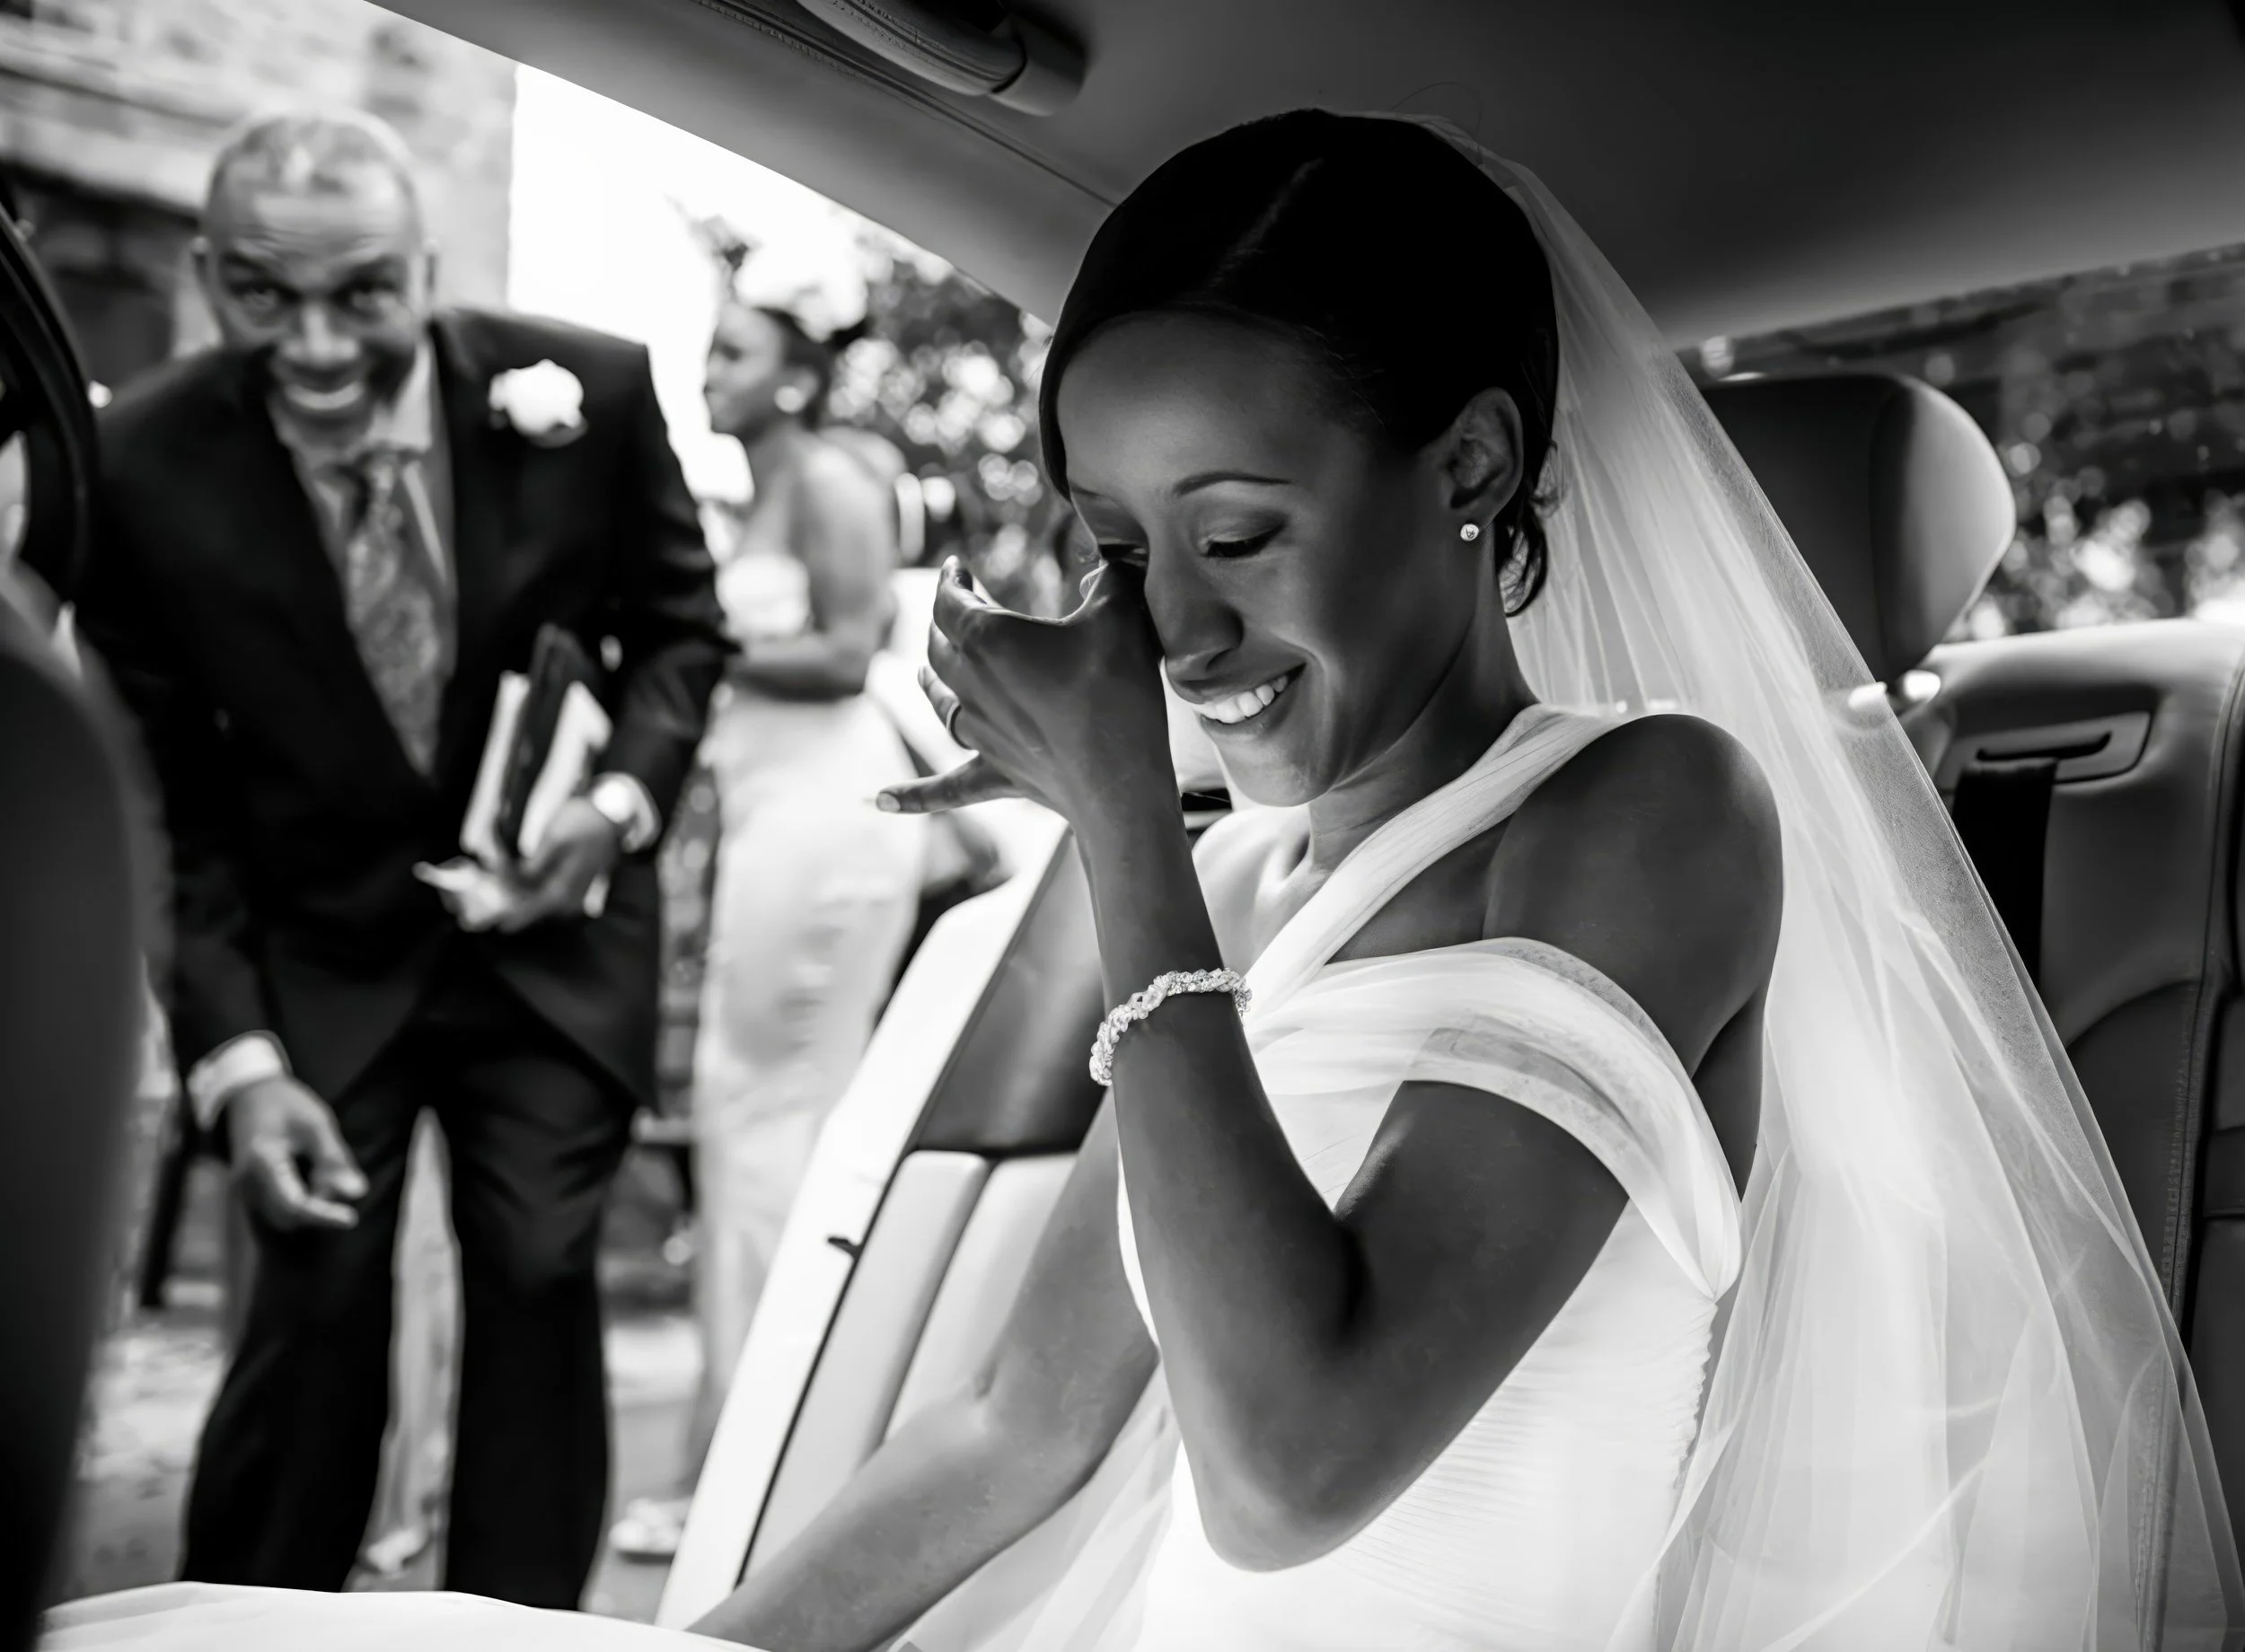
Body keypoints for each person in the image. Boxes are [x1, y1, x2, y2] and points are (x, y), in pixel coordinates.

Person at [45, 107, 2241, 1652]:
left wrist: (1119, 836)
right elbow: (1018, 1420)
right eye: (1113, 545)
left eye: (1237, 529)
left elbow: (1298, 1465)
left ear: (1467, 468)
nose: (1166, 632)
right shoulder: (1260, 871)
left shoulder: (1650, 814)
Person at [70, 109, 727, 1610]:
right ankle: (244, 1632)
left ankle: (510, 1635)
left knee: (541, 1272)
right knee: (315, 1305)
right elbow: (171, 801)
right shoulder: (141, 461)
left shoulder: (590, 392)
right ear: (202, 273)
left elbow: (683, 635)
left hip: (552, 945)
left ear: (427, 269)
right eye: (262, 293)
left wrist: (616, 805)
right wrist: (236, 1060)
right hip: (316, 957)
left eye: (363, 295)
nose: (312, 344)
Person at [608, 297, 926, 1561]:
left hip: (827, 819)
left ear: (796, 380)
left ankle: (759, 1462)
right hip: (773, 815)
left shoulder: (835, 481)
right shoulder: (758, 489)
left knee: (764, 1132)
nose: (707, 372)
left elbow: (851, 653)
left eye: (734, 354)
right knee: (751, 1128)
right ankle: (754, 1451)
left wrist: (691, 649)